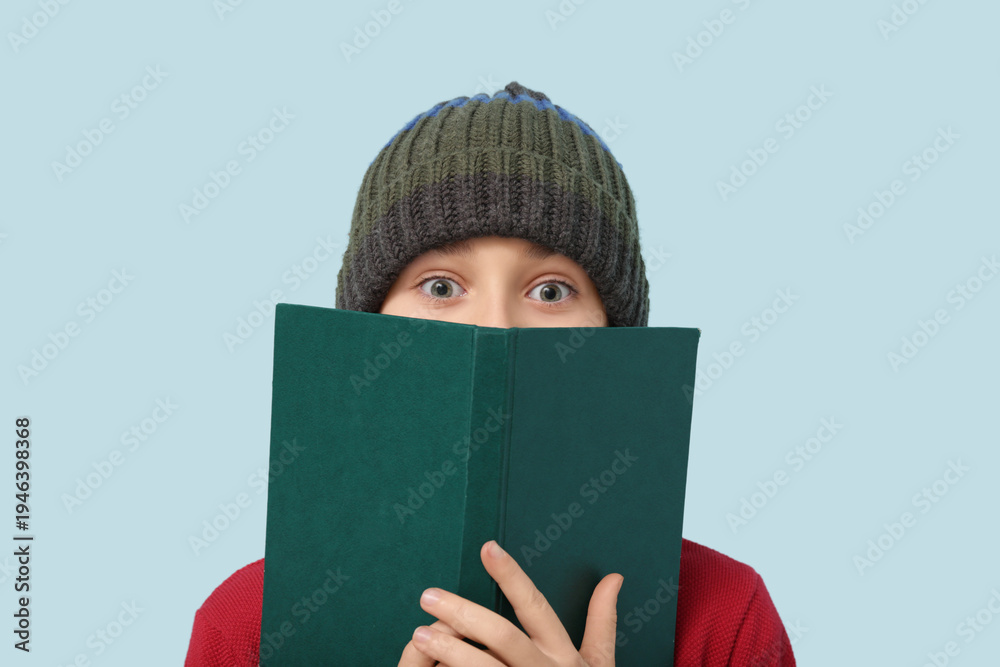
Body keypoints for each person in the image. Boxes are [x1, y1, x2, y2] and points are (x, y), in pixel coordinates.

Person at [185, 82, 796, 666]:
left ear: (617, 335)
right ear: (367, 324)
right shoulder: (245, 626)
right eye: (441, 286)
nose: (497, 328)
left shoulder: (726, 620)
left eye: (551, 290)